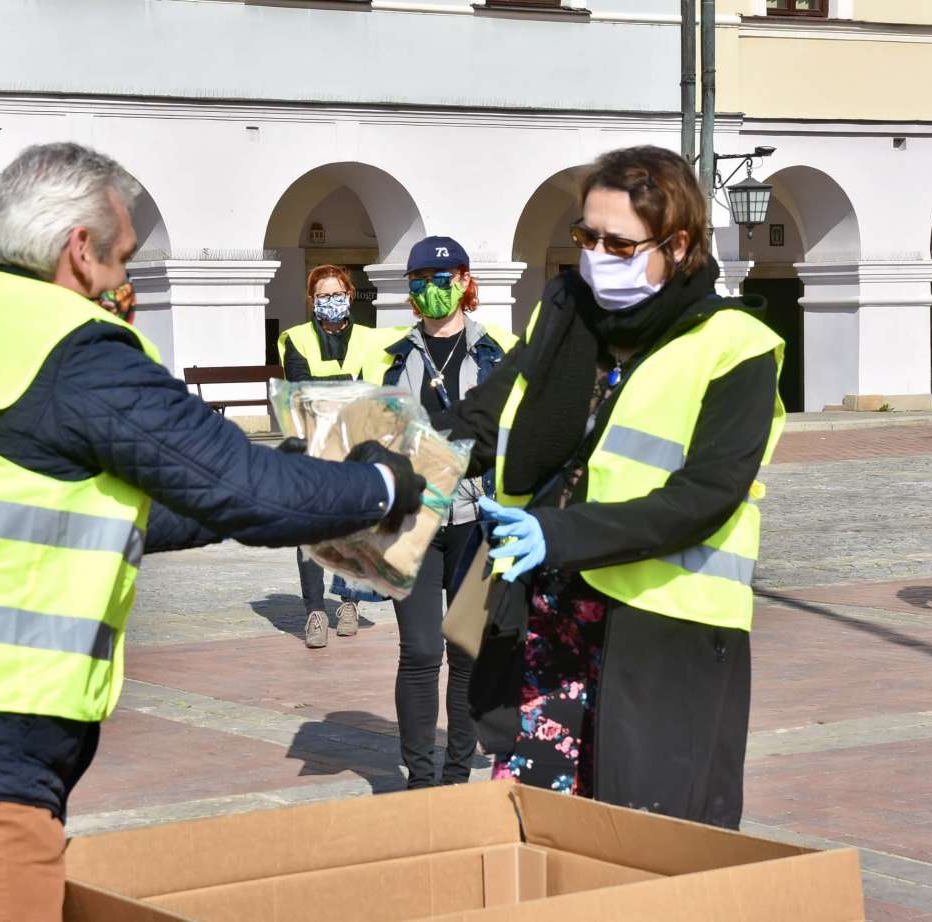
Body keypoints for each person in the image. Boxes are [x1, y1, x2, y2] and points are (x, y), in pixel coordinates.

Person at [0, 142, 425, 922]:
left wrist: (297, 471)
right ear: (78, 250)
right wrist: (380, 483)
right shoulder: (66, 345)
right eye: (122, 258)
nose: (126, 281)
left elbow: (121, 506)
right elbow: (248, 491)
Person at [439, 146, 784, 829]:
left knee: (645, 834)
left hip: (661, 631)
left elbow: (704, 498)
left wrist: (558, 533)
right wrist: (385, 463)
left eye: (619, 242)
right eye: (587, 236)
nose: (597, 254)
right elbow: (485, 417)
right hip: (543, 614)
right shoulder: (563, 314)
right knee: (534, 824)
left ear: (678, 242)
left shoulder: (735, 346)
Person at [362, 236, 515, 789]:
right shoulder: (390, 358)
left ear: (465, 282)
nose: (431, 289)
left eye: (442, 278)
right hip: (415, 523)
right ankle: (420, 778)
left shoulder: (497, 353)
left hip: (478, 521)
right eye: (420, 280)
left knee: (467, 651)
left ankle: (456, 775)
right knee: (422, 651)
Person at [278, 264, 381, 648]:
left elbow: (374, 387)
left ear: (349, 296)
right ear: (312, 300)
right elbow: (301, 387)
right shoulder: (295, 338)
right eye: (322, 296)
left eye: (336, 294)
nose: (330, 302)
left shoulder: (370, 340)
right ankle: (316, 612)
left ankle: (350, 602)